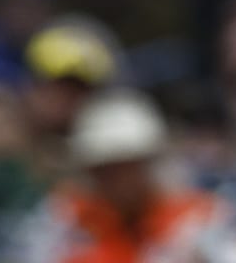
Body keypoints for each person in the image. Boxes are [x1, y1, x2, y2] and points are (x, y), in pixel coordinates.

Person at [22, 87, 220, 263]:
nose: (115, 177)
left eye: (126, 163)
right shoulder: (66, 220)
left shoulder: (197, 219)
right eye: (103, 166)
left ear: (148, 161)